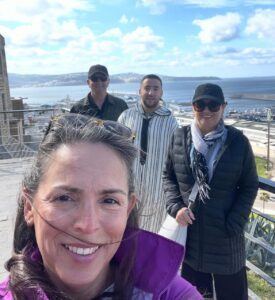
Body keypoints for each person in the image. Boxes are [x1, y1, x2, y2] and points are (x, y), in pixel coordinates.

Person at [0, 114, 202, 300]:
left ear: (128, 209)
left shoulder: (173, 294)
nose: (88, 225)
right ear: (29, 207)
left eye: (109, 201)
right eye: (64, 198)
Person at [163, 83, 258, 300]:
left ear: (223, 107)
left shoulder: (237, 142)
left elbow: (249, 185)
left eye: (213, 105)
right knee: (194, 295)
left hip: (225, 238)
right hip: (191, 236)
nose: (206, 110)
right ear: (192, 107)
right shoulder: (179, 137)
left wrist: (234, 222)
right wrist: (175, 207)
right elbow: (168, 176)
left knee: (232, 294)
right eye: (200, 104)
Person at [118, 74, 178, 233]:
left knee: (153, 235)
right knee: (125, 232)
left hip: (157, 190)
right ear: (140, 91)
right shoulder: (126, 117)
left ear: (161, 93)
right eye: (147, 88)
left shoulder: (170, 121)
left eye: (155, 88)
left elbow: (176, 156)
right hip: (129, 187)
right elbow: (116, 151)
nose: (151, 92)